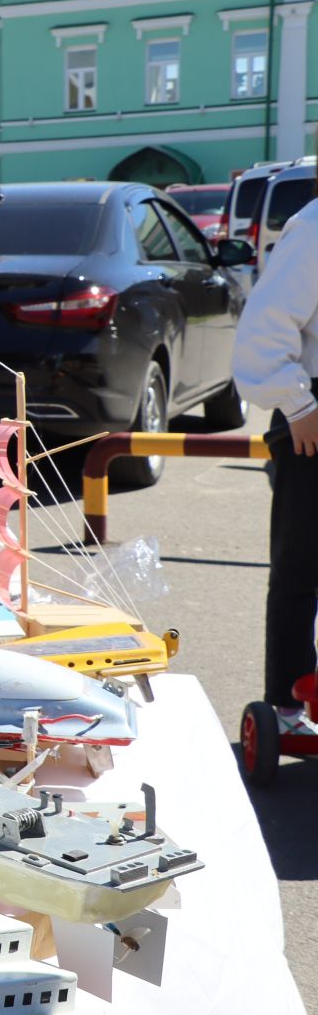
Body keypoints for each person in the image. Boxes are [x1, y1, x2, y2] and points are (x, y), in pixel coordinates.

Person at [234, 195, 318, 735]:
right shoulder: (312, 227)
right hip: (311, 413)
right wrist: (299, 405)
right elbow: (265, 327)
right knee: (301, 565)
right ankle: (287, 707)